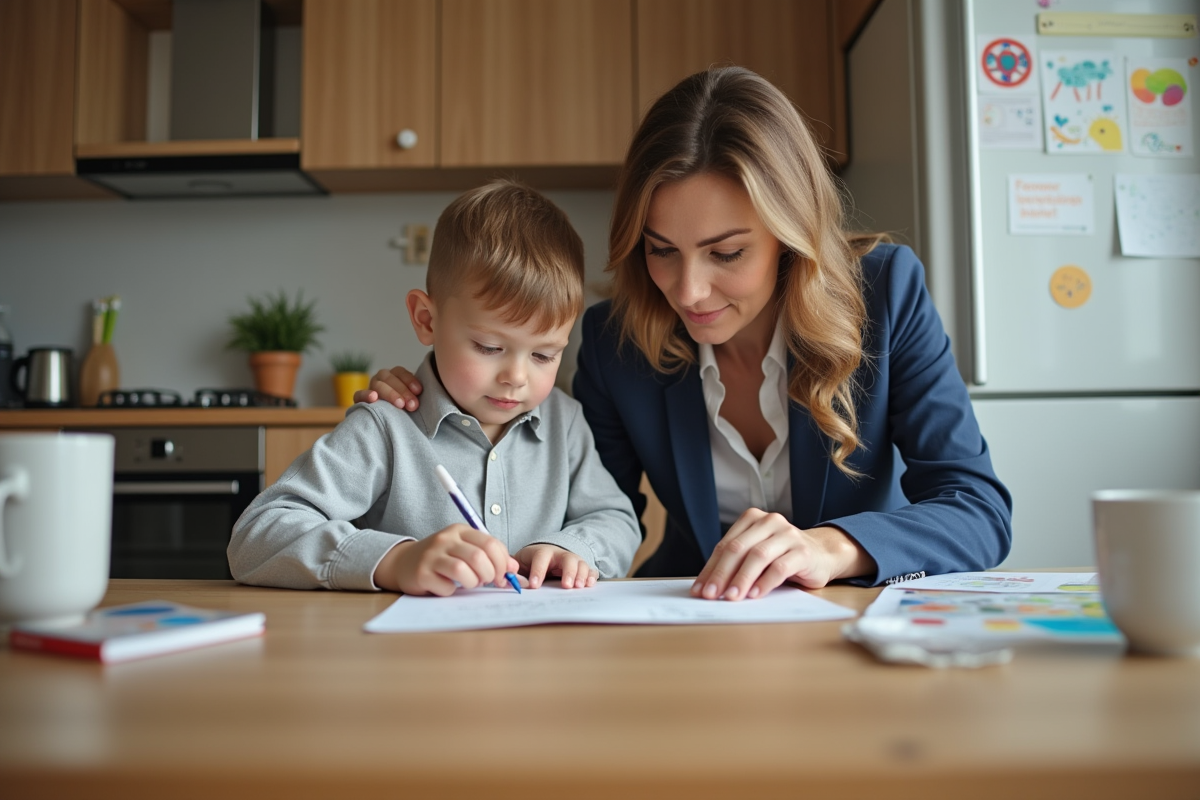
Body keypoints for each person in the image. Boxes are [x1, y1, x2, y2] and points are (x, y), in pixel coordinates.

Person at [358, 66, 1012, 600]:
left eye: (726, 253)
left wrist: (831, 547)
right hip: (690, 615)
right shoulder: (614, 342)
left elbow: (977, 509)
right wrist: (433, 394)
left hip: (855, 617)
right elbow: (583, 509)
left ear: (790, 236)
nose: (688, 291)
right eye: (661, 249)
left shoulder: (884, 293)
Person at [229, 180, 641, 595]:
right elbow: (257, 534)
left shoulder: (564, 423)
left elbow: (617, 520)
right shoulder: (385, 427)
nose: (516, 377)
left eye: (544, 355)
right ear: (426, 320)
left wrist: (572, 548)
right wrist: (395, 561)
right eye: (489, 347)